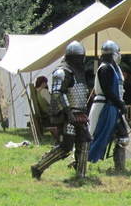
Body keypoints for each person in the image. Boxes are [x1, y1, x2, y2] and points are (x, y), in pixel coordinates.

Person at [30, 41, 92, 180]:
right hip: (66, 115)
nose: (81, 60)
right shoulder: (62, 72)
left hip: (79, 114)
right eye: (79, 57)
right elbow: (58, 93)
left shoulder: (78, 72)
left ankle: (81, 175)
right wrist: (68, 112)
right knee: (66, 147)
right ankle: (38, 167)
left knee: (85, 142)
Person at [88, 41, 129, 172]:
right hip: (104, 106)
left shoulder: (114, 69)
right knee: (95, 136)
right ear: (113, 54)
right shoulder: (105, 68)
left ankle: (120, 168)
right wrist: (120, 103)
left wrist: (119, 104)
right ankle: (82, 161)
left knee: (123, 137)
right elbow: (107, 91)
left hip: (113, 106)